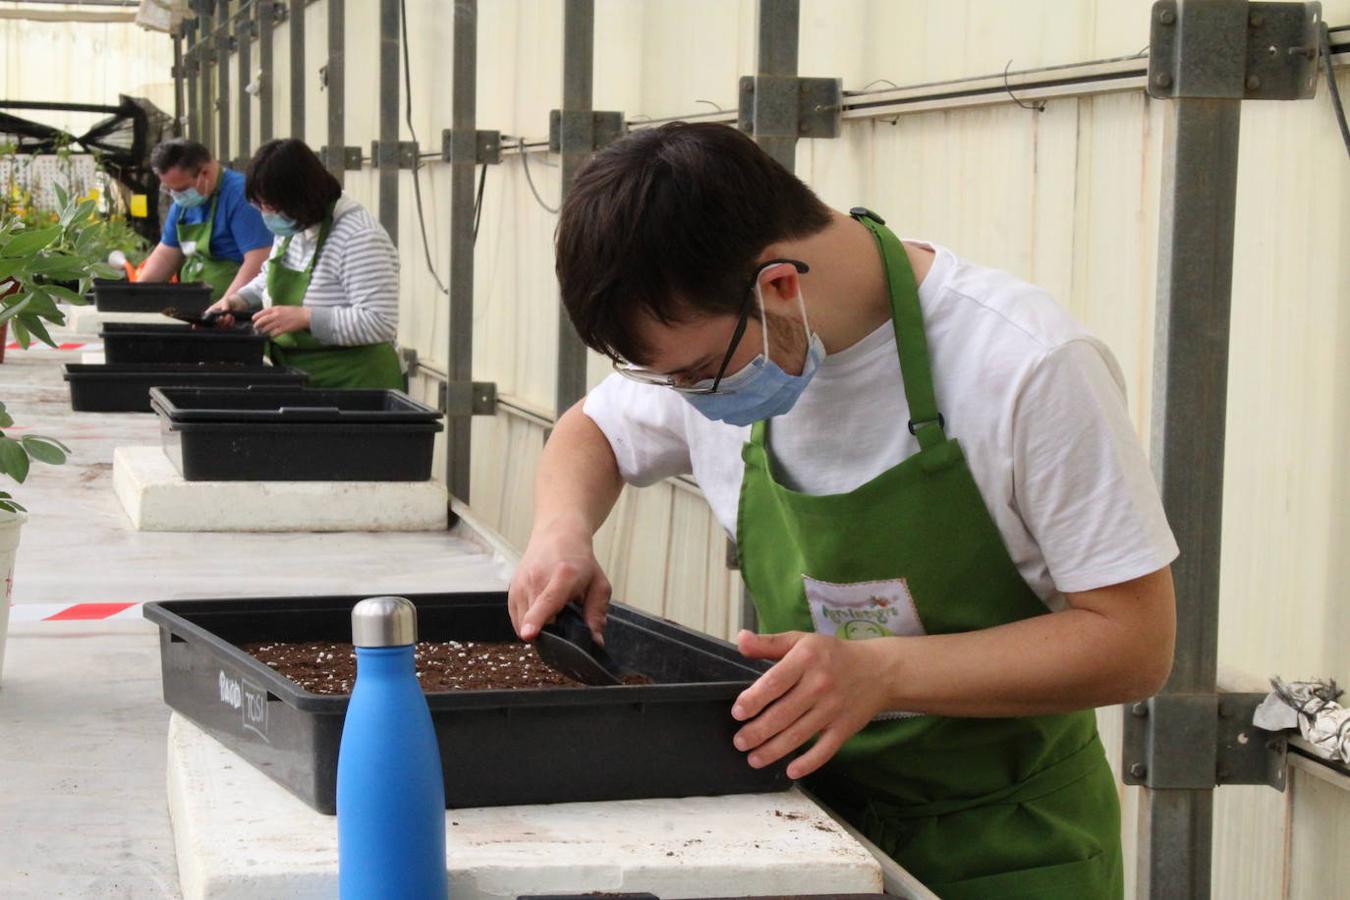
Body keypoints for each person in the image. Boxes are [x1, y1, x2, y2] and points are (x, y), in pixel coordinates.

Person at [507, 123, 1179, 898]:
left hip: (1009, 844)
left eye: (697, 371)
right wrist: (562, 530)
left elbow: (1134, 643)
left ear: (780, 286)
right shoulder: (716, 343)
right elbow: (590, 430)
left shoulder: (1025, 365)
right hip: (809, 826)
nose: (691, 399)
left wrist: (883, 672)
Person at [207, 139, 403, 390]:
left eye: (271, 206)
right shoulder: (295, 224)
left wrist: (307, 318)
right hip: (304, 375)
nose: (266, 214)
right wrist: (238, 301)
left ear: (300, 197)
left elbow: (380, 322)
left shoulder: (358, 237)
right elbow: (269, 277)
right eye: (260, 206)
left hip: (357, 381)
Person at [137, 139, 272, 301]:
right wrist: (138, 294)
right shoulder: (182, 204)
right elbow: (166, 255)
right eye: (169, 189)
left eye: (180, 189)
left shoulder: (241, 197)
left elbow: (258, 261)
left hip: (238, 312)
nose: (176, 196)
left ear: (205, 173)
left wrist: (227, 305)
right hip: (195, 305)